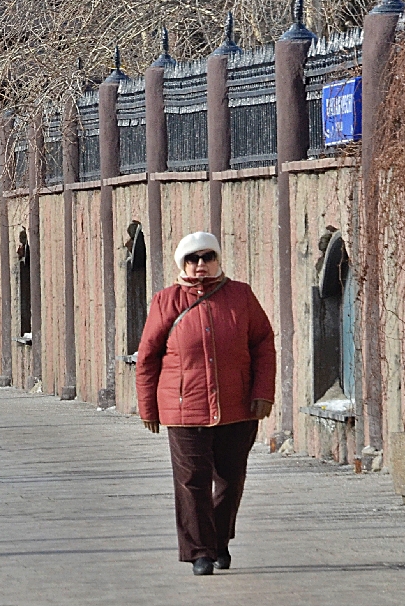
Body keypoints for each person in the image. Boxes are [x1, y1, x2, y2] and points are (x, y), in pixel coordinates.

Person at [135, 232, 275, 577]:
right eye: (193, 259)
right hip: (184, 408)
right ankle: (199, 552)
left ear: (218, 259)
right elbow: (148, 358)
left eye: (207, 257)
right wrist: (148, 408)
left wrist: (262, 392)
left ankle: (219, 541)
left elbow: (263, 344)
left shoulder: (240, 296)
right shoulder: (166, 301)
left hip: (236, 406)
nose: (201, 265)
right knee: (191, 481)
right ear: (182, 263)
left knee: (230, 480)